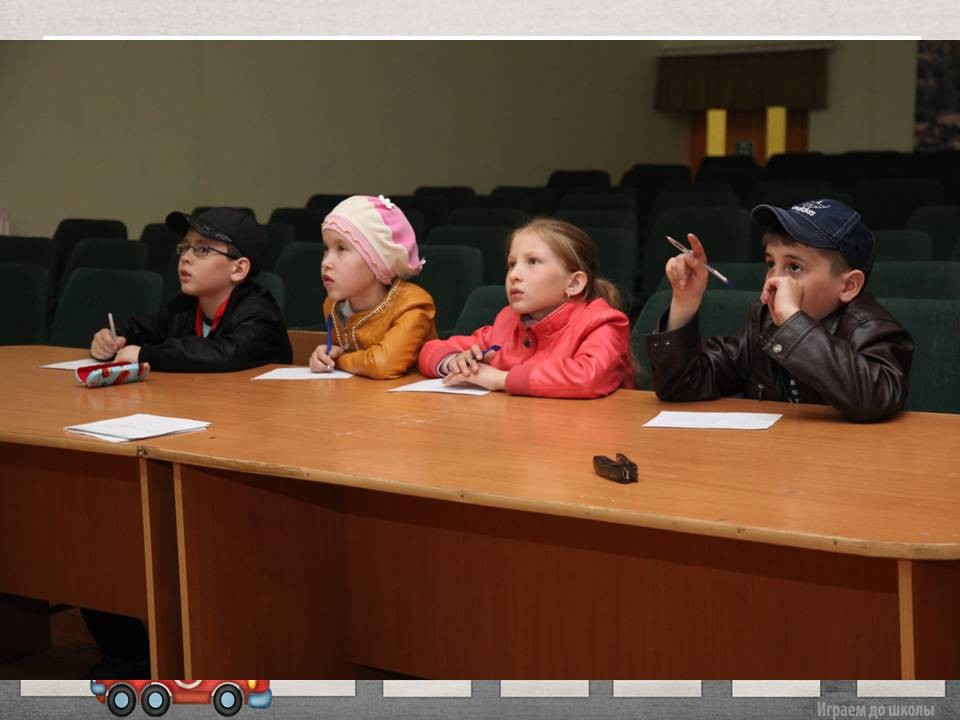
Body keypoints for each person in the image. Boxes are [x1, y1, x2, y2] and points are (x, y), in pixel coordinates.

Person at [646, 199, 913, 422]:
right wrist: (685, 304)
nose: (774, 280)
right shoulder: (764, 322)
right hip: (777, 457)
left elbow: (873, 399)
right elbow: (682, 385)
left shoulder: (873, 328)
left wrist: (794, 323)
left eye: (794, 267)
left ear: (848, 286)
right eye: (771, 264)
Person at [418, 218, 632, 398]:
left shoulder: (603, 323)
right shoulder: (508, 321)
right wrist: (456, 362)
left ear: (574, 283)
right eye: (512, 264)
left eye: (533, 262)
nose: (514, 275)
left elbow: (587, 377)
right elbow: (431, 349)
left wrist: (501, 379)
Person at [90, 207, 292, 370]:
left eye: (202, 249)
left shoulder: (260, 312)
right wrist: (111, 340)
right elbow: (143, 329)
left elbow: (225, 354)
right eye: (185, 247)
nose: (185, 257)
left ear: (239, 269)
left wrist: (146, 355)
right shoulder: (186, 305)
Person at [309, 195, 436, 379]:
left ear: (377, 261)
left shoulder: (412, 305)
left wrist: (339, 360)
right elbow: (345, 357)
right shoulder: (333, 305)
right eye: (326, 249)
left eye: (342, 249)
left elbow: (382, 365)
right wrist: (325, 356)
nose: (326, 262)